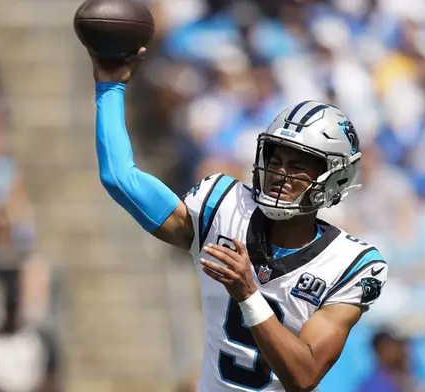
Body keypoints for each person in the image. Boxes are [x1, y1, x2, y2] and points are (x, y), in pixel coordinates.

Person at [91, 48, 388, 392]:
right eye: (276, 160)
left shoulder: (353, 264)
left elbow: (303, 375)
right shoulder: (223, 205)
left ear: (334, 177)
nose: (279, 173)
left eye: (297, 166)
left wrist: (248, 293)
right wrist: (110, 89)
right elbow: (120, 179)